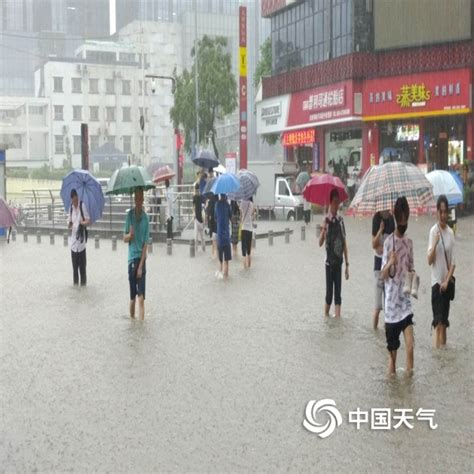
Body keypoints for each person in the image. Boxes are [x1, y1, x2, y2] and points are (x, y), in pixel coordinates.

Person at [381, 196, 415, 376]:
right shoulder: (388, 244)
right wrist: (389, 263)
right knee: (392, 362)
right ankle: (393, 395)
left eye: (406, 218)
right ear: (395, 217)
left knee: (410, 348)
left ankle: (409, 391)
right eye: (401, 218)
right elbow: (382, 276)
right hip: (391, 309)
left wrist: (414, 280)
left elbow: (411, 269)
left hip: (406, 305)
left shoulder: (409, 244)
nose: (404, 222)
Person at [427, 195, 456, 349]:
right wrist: (436, 242)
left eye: (445, 212)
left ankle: (442, 359)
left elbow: (453, 263)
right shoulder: (433, 232)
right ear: (437, 212)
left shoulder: (450, 233)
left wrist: (447, 281)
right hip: (436, 284)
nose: (443, 215)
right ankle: (436, 355)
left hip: (446, 283)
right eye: (441, 211)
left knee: (444, 324)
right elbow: (429, 260)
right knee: (437, 323)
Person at [319, 189, 349, 318]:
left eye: (338, 202)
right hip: (328, 263)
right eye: (335, 202)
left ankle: (337, 320)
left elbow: (344, 243)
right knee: (329, 295)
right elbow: (320, 243)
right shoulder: (325, 220)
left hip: (339, 262)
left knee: (338, 295)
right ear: (330, 202)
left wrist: (347, 264)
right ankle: (325, 317)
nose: (337, 205)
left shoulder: (341, 221)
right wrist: (324, 230)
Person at [123, 188, 149, 320]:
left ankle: (141, 327)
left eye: (141, 198)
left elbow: (145, 245)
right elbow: (124, 238)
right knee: (133, 298)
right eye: (137, 199)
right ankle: (132, 321)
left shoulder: (145, 219)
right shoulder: (129, 216)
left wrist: (140, 267)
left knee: (141, 298)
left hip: (141, 259)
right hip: (131, 259)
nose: (139, 201)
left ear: (143, 200)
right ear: (134, 200)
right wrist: (130, 235)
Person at [371, 210, 396, 329]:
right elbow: (374, 245)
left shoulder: (391, 219)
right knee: (377, 307)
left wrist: (385, 249)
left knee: (388, 307)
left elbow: (393, 246)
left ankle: (387, 336)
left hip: (389, 267)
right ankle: (374, 333)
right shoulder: (376, 219)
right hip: (378, 267)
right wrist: (380, 230)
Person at [68, 188, 90, 286]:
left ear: (77, 197)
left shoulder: (82, 205)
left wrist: (82, 222)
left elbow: (88, 220)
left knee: (82, 269)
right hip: (73, 244)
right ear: (71, 199)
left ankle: (83, 287)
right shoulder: (71, 208)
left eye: (76, 200)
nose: (75, 202)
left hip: (81, 243)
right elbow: (69, 223)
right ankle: (76, 287)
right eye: (73, 200)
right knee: (74, 269)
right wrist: (69, 225)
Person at [214, 193, 232, 279]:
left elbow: (216, 217)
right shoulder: (228, 205)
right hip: (227, 237)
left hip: (219, 236)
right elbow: (231, 217)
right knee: (227, 261)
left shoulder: (217, 205)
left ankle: (220, 273)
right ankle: (226, 277)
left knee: (220, 259)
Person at [240, 197, 254, 269]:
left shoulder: (242, 203)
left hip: (244, 228)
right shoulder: (251, 204)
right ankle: (249, 266)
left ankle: (245, 268)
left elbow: (241, 214)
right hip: (250, 229)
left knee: (243, 250)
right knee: (249, 250)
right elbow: (252, 215)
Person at [193, 183, 206, 252]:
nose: (196, 192)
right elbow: (194, 206)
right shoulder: (194, 197)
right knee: (195, 237)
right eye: (196, 191)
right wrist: (193, 214)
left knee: (203, 237)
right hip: (196, 219)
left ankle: (203, 249)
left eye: (197, 191)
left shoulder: (202, 197)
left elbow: (204, 207)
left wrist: (204, 217)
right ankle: (196, 250)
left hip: (202, 220)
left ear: (199, 190)